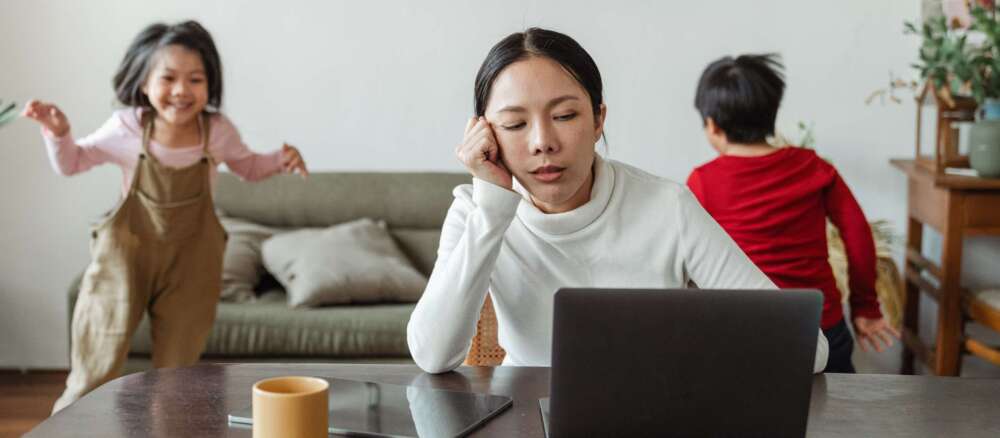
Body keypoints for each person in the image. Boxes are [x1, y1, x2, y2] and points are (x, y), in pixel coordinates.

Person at [406, 28, 828, 375]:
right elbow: (432, 355)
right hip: (526, 416)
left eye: (566, 116)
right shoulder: (475, 211)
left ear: (598, 120)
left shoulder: (667, 206)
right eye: (515, 123)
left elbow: (808, 349)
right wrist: (493, 209)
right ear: (485, 134)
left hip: (655, 411)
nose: (542, 143)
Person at [22, 20, 309, 412]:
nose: (181, 91)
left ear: (210, 85)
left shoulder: (217, 132)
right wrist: (58, 134)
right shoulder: (126, 127)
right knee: (94, 368)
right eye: (168, 77)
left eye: (195, 79)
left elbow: (249, 167)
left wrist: (280, 159)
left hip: (191, 264)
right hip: (125, 257)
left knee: (177, 379)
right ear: (143, 83)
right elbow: (72, 162)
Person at [686, 53, 899, 373]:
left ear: (712, 126)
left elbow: (690, 256)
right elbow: (857, 234)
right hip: (821, 328)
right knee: (837, 417)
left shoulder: (703, 181)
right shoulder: (814, 167)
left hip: (745, 332)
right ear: (772, 115)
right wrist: (865, 306)